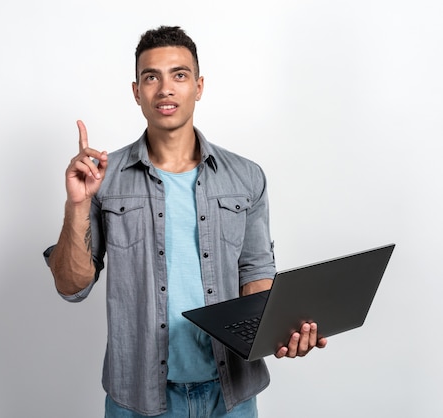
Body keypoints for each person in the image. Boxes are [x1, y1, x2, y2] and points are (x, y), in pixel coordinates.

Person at [43, 26, 327, 418]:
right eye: (151, 77)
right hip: (138, 398)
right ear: (136, 91)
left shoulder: (246, 177)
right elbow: (71, 285)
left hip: (231, 395)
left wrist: (281, 330)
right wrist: (77, 205)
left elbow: (256, 271)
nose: (165, 89)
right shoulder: (103, 180)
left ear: (199, 86)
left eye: (179, 75)